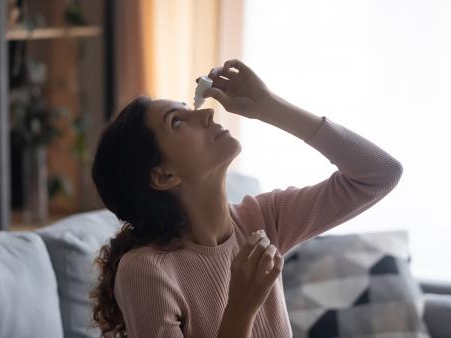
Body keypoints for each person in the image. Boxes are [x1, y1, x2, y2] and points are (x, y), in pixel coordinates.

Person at [90, 59, 403, 338]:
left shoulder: (263, 219)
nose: (207, 112)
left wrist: (267, 106)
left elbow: (379, 174)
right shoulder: (145, 272)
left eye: (189, 108)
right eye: (177, 121)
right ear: (164, 175)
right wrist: (240, 309)